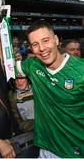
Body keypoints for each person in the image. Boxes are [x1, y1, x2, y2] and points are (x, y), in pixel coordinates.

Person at [16, 21, 84, 158]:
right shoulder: (33, 66)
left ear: (56, 40)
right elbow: (4, 67)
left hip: (75, 153)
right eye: (35, 44)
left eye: (45, 40)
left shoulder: (81, 70)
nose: (41, 48)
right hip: (46, 150)